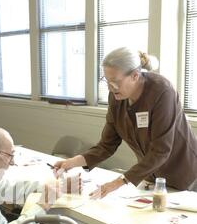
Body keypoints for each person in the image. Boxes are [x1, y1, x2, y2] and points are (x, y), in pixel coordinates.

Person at [54, 47, 197, 197]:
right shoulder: (117, 97)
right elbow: (106, 145)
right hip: (151, 176)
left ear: (135, 76)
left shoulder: (162, 91)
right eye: (106, 81)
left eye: (115, 81)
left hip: (184, 175)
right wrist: (71, 163)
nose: (110, 87)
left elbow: (160, 151)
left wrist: (118, 182)